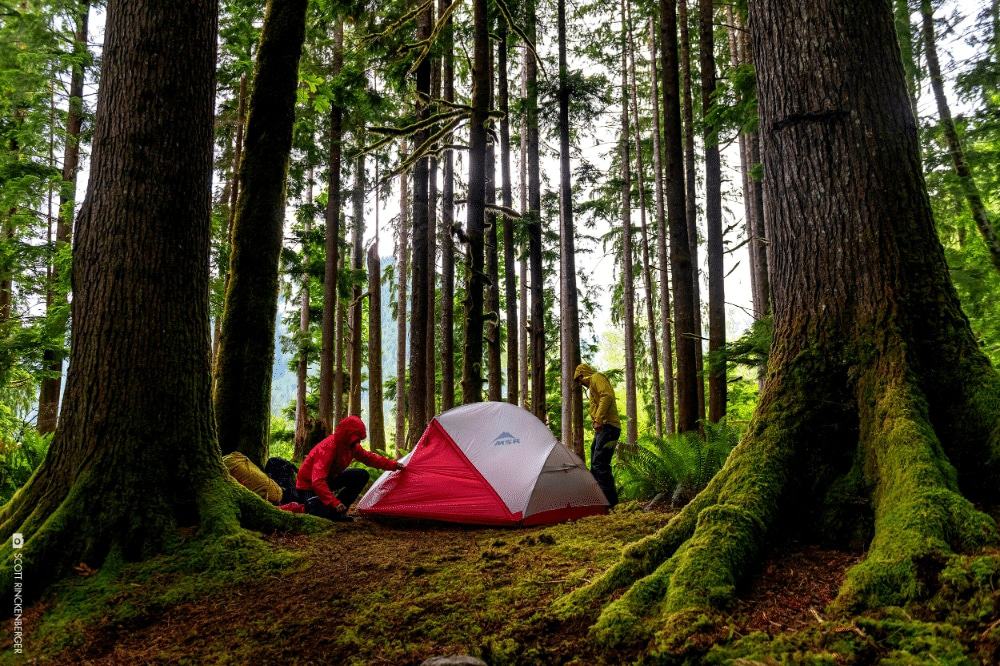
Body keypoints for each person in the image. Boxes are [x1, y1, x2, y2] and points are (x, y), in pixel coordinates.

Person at [295, 415, 404, 521]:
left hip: (328, 480)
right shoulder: (328, 447)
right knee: (315, 513)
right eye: (355, 439)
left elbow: (370, 458)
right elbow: (317, 481)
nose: (357, 442)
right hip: (308, 487)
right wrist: (334, 502)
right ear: (346, 435)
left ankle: (339, 511)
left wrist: (394, 465)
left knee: (361, 475)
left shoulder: (352, 446)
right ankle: (332, 509)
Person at [574, 363, 621, 507]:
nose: (580, 383)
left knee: (600, 464)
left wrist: (599, 419)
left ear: (583, 374)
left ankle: (610, 503)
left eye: (579, 379)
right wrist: (596, 420)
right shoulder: (592, 386)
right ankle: (598, 500)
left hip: (609, 426)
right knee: (595, 463)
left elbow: (607, 396)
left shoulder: (596, 377)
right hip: (603, 428)